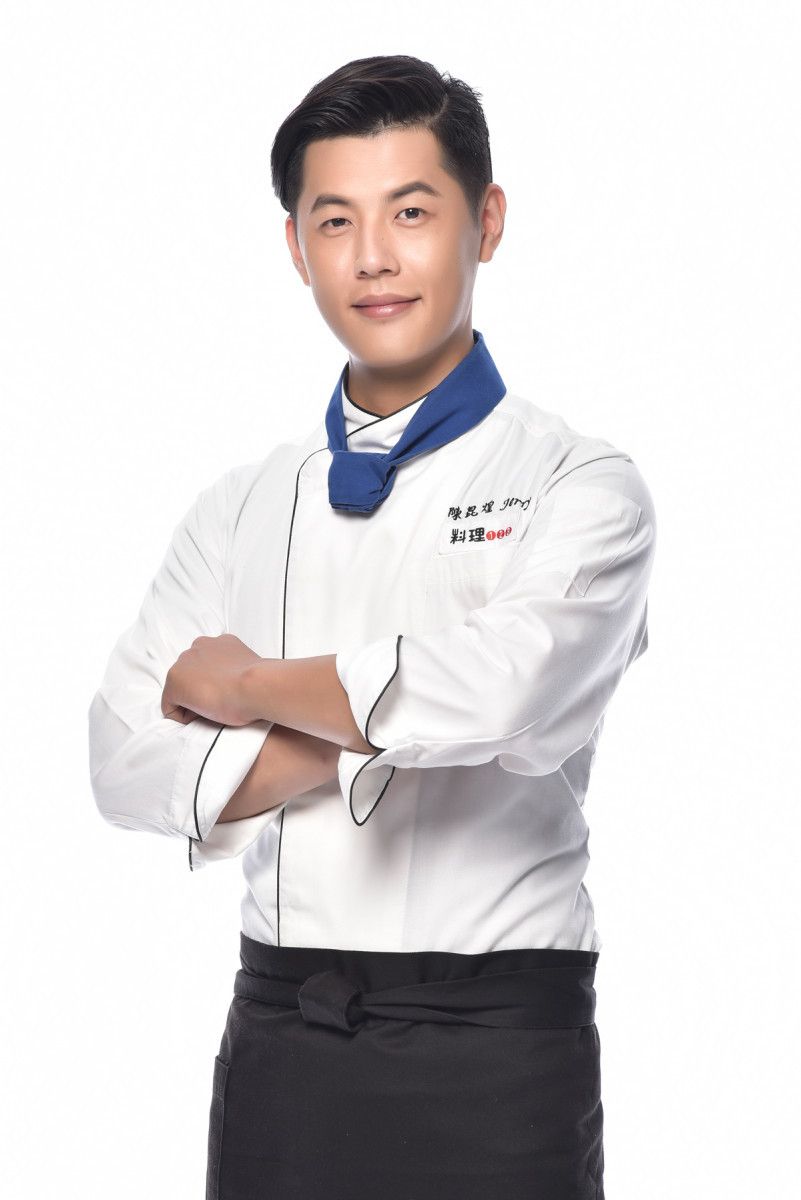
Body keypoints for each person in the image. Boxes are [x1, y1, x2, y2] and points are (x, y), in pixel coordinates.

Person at [89, 54, 656, 1200]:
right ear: (297, 247)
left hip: (499, 1042)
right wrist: (374, 735)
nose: (374, 257)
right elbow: (119, 759)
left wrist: (245, 689)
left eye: (412, 212)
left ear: (485, 222)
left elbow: (506, 690)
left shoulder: (582, 483)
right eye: (335, 220)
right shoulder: (241, 503)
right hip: (282, 1036)